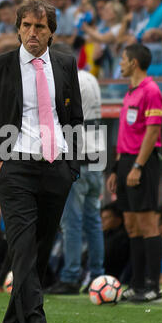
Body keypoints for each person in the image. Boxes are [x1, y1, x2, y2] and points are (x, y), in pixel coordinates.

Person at [0, 0, 83, 323]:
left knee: (36, 253)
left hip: (57, 170)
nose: (32, 33)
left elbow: (76, 120)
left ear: (51, 32)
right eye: (26, 26)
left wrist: (74, 168)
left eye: (40, 27)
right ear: (18, 28)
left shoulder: (66, 64)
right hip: (15, 168)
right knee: (21, 250)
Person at [107, 43, 162, 303]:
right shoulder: (130, 91)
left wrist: (138, 167)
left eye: (122, 58)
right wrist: (117, 169)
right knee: (131, 224)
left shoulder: (151, 91)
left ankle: (154, 286)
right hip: (126, 162)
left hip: (144, 162)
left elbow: (152, 132)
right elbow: (126, 133)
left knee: (148, 223)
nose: (119, 63)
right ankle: (137, 285)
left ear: (134, 63)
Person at [46, 42, 104, 295]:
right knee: (93, 220)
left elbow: (63, 117)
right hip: (97, 156)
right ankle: (98, 275)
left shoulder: (67, 79)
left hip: (78, 156)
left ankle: (70, 276)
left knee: (72, 221)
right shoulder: (90, 77)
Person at [100, 201, 130, 283]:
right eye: (101, 218)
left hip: (112, 279)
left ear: (118, 219)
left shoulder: (122, 239)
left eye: (106, 218)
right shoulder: (103, 235)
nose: (102, 221)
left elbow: (106, 259)